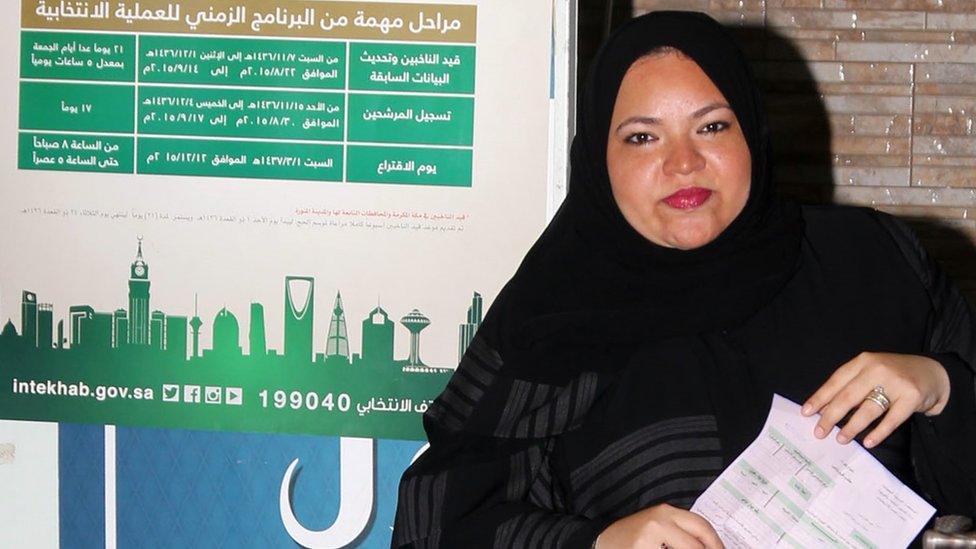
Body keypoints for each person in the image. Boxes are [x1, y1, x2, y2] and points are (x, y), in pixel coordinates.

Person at [392, 11, 976, 549]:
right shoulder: (550, 319)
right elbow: (437, 521)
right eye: (642, 137)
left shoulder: (875, 264)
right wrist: (596, 542)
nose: (683, 163)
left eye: (713, 127)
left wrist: (943, 385)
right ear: (598, 158)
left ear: (752, 132)